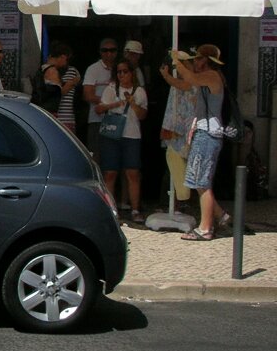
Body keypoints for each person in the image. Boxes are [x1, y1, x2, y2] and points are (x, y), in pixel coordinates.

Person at [170, 44, 233, 241]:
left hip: (208, 135)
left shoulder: (212, 76)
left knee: (202, 183)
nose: (195, 62)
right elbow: (186, 83)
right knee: (196, 181)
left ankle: (205, 229)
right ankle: (221, 215)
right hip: (203, 134)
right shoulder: (207, 78)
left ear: (207, 61)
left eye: (198, 59)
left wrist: (177, 62)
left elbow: (190, 78)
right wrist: (170, 74)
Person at [95, 59, 149, 223]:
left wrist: (132, 103)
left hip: (132, 135)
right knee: (110, 173)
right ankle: (112, 210)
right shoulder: (111, 89)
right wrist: (117, 103)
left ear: (132, 73)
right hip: (112, 135)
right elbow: (99, 109)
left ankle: (135, 209)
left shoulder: (139, 91)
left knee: (132, 173)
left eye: (125, 71)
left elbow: (143, 116)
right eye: (119, 72)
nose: (122, 75)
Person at [158, 50, 199, 215]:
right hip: (176, 130)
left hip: (188, 131)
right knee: (173, 165)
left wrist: (167, 76)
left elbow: (186, 84)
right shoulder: (177, 84)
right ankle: (169, 203)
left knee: (186, 166)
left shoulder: (194, 81)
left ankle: (184, 201)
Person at [82, 38, 118, 158]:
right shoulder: (93, 69)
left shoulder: (120, 68)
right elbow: (87, 95)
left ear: (117, 52)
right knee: (96, 154)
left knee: (114, 157)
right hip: (97, 120)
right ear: (100, 52)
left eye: (112, 50)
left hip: (118, 120)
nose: (109, 53)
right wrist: (110, 103)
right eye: (105, 50)